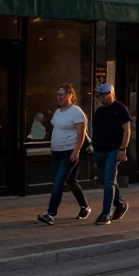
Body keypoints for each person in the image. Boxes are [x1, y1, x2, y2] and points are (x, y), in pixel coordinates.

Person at [37, 84, 90, 225]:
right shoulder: (58, 111)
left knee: (57, 184)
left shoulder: (76, 112)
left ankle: (50, 214)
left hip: (69, 153)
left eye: (62, 94)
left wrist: (76, 151)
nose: (59, 97)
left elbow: (81, 134)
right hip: (56, 153)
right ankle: (85, 207)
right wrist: (52, 147)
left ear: (70, 95)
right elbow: (56, 130)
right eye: (57, 94)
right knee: (70, 181)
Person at [91, 82, 132, 225]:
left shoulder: (120, 109)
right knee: (107, 180)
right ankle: (120, 203)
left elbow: (127, 130)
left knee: (109, 181)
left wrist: (123, 149)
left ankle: (106, 213)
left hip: (113, 151)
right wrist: (92, 146)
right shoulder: (99, 111)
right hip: (99, 150)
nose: (102, 99)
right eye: (100, 97)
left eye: (104, 96)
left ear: (111, 94)